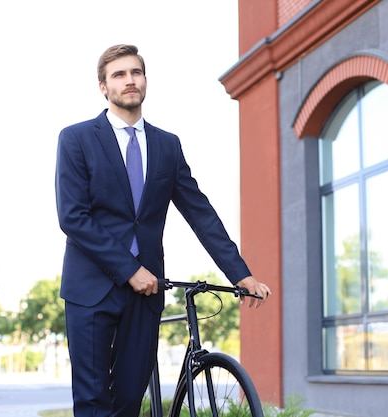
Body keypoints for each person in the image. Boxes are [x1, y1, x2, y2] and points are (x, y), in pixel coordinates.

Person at [55, 44, 272, 417]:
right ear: (103, 87)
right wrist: (129, 270)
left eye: (135, 72)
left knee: (128, 400)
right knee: (92, 402)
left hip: (147, 294)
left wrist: (242, 274)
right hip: (91, 290)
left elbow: (200, 213)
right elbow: (73, 217)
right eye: (119, 75)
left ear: (145, 80)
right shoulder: (76, 139)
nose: (129, 81)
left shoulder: (167, 145)